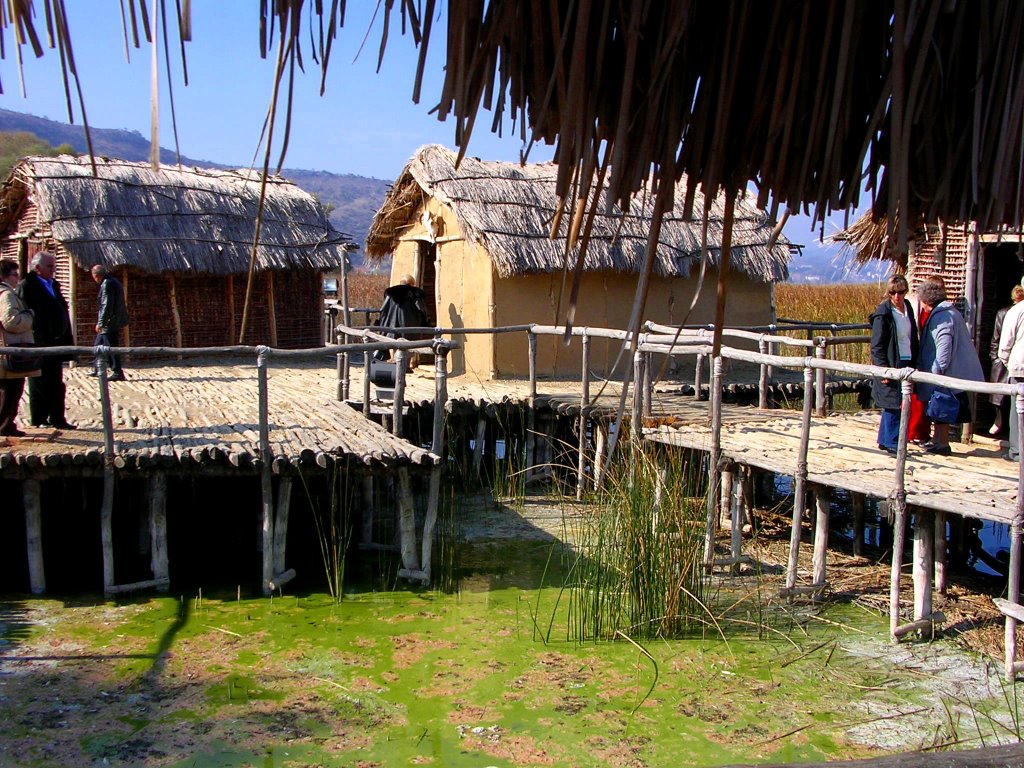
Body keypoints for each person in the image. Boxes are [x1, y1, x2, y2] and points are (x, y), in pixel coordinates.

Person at [917, 277, 984, 456]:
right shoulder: (948, 313)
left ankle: (942, 443)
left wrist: (936, 372)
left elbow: (943, 348)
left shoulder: (943, 317)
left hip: (946, 373)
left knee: (942, 408)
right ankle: (937, 440)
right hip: (948, 372)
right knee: (939, 409)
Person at [17, 251, 76, 430]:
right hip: (39, 342)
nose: (54, 270)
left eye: (54, 266)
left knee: (55, 381)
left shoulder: (53, 284)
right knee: (39, 382)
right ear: (37, 268)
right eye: (50, 267)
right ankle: (39, 418)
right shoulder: (27, 286)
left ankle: (57, 418)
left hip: (56, 342)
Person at [869, 275, 918, 454]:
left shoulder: (908, 308)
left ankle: (885, 438)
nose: (897, 296)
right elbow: (877, 345)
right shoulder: (883, 313)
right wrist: (883, 369)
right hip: (890, 361)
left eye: (900, 292)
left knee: (901, 399)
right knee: (892, 400)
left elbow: (912, 335)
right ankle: (892, 441)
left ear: (906, 292)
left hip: (906, 358)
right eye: (893, 292)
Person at [0, 259, 40, 436]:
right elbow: (11, 321)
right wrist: (29, 316)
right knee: (11, 390)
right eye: (14, 275)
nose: (17, 278)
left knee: (8, 390)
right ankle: (4, 426)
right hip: (10, 349)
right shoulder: (6, 295)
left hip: (6, 349)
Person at [988, 285, 1024, 436]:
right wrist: (1001, 360)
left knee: (1017, 408)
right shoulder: (1007, 313)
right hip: (1009, 363)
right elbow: (998, 342)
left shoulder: (1014, 312)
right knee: (1009, 403)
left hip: (1015, 363)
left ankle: (1016, 448)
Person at [376, 274, 429, 364]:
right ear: (412, 284)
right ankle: (406, 364)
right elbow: (421, 309)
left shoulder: (391, 293)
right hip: (410, 323)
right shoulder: (415, 293)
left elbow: (384, 309)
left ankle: (393, 360)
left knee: (391, 340)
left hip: (391, 322)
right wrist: (424, 321)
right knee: (409, 342)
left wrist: (381, 321)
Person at [89, 264, 130, 380]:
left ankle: (117, 372)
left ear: (96, 276)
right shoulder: (112, 281)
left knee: (111, 347)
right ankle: (98, 368)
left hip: (110, 322)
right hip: (111, 320)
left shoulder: (108, 284)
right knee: (98, 345)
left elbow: (106, 305)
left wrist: (101, 323)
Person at [999, 278, 1024, 461]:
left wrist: (1008, 362)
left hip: (1020, 365)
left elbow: (1005, 343)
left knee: (1017, 411)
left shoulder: (1015, 311)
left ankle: (1017, 451)